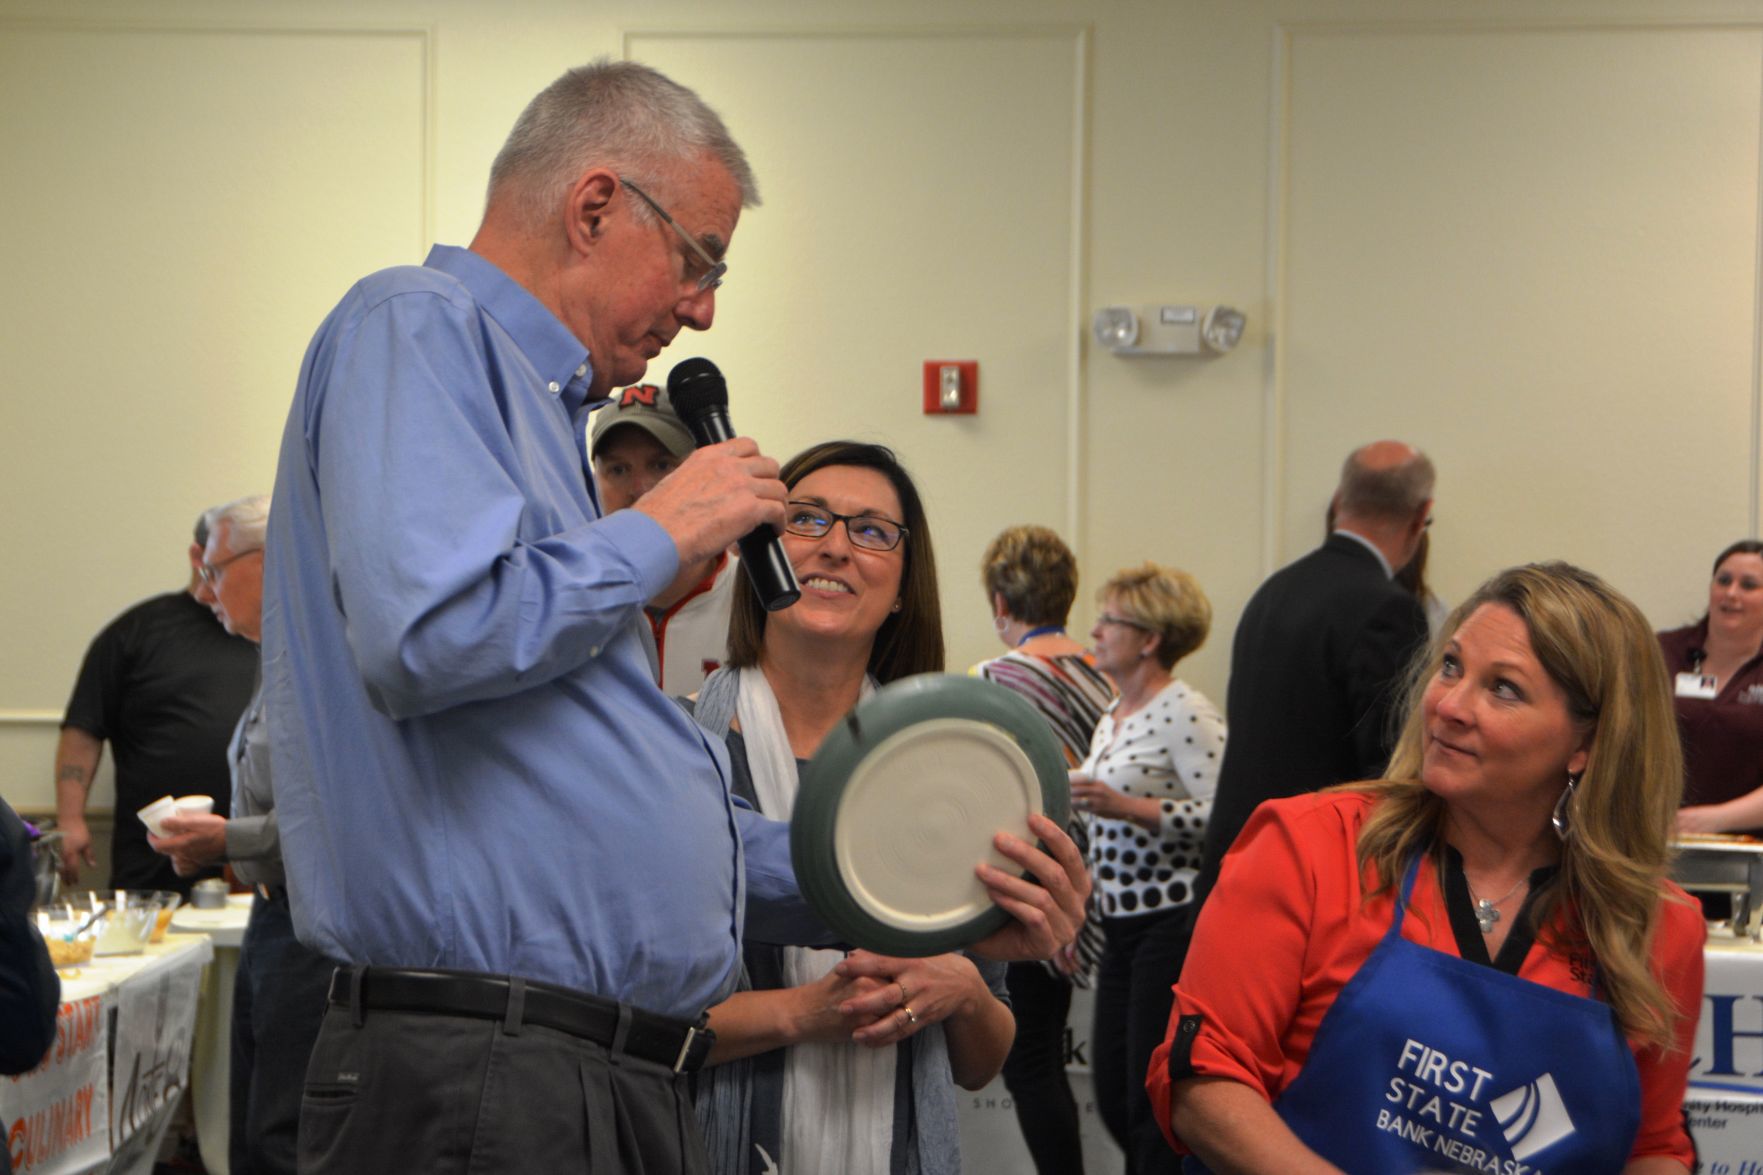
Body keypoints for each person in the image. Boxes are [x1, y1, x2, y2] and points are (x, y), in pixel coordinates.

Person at [261, 60, 1087, 1173]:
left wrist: (938, 896)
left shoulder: (546, 420)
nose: (699, 307)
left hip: (571, 1065)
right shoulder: (418, 325)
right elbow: (430, 634)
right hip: (486, 1067)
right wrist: (664, 526)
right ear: (595, 204)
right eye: (699, 260)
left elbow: (611, 818)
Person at [1149, 562, 1705, 1174]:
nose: (1449, 706)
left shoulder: (1654, 929)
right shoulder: (1311, 847)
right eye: (1451, 667)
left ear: (1587, 746)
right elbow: (1203, 1077)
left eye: (1504, 688)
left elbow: (1653, 1147)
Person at [692, 441, 1016, 1175]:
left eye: (872, 531)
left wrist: (963, 991)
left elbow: (980, 1062)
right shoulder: (674, 753)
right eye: (806, 520)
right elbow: (629, 1021)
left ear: (903, 585)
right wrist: (805, 1013)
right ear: (758, 552)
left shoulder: (947, 775)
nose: (836, 547)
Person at [146, 496, 339, 1175]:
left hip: (314, 927)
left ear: (267, 561)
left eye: (216, 570)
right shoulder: (278, 658)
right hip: (275, 914)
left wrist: (223, 840)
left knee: (283, 1135)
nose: (202, 592)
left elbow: (333, 821)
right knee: (254, 1129)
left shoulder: (323, 660)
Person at [973, 524, 1116, 1175]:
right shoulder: (1111, 677)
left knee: (1030, 1064)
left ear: (1001, 603)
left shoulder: (989, 679)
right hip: (1103, 891)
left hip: (1025, 888)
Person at [54, 507, 258, 895]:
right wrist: (71, 819)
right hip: (155, 862)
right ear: (199, 558)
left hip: (256, 861)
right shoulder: (137, 632)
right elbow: (84, 728)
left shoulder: (275, 632)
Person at [591, 381, 739, 692]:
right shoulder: (578, 602)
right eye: (618, 470)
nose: (641, 490)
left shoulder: (753, 601)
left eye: (661, 465)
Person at [1661, 539, 1763, 835]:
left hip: (1749, 848)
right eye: (1724, 580)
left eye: (1748, 585)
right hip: (1657, 836)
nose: (1731, 593)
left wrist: (1714, 819)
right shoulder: (1663, 651)